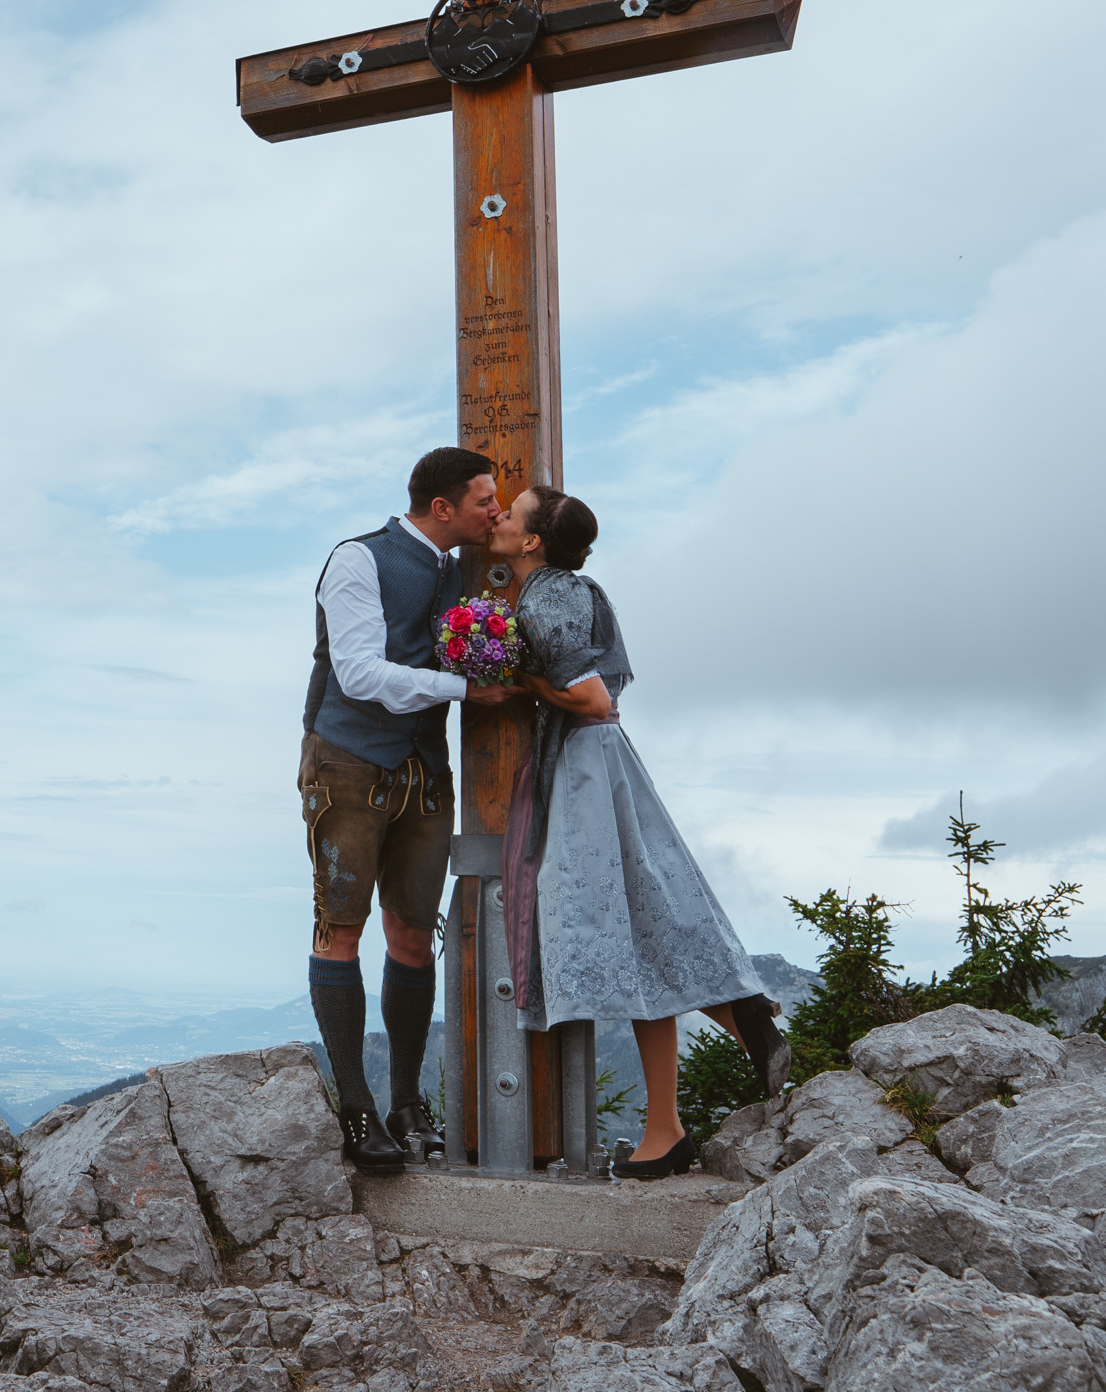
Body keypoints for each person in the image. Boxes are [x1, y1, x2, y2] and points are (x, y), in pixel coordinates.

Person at [486, 485, 792, 1178]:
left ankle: (721, 1040)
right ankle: (668, 1126)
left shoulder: (551, 595)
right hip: (599, 763)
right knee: (641, 922)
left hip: (586, 769)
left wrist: (517, 676)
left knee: (612, 929)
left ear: (533, 542)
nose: (500, 517)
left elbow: (590, 696)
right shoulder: (571, 589)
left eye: (513, 512)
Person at [301, 446, 508, 1174]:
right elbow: (356, 674)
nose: (497, 511)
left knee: (414, 937)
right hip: (348, 761)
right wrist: (462, 691)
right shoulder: (358, 559)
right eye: (486, 499)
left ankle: (406, 1104)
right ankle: (356, 1107)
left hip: (424, 768)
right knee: (342, 929)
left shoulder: (465, 570)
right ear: (442, 507)